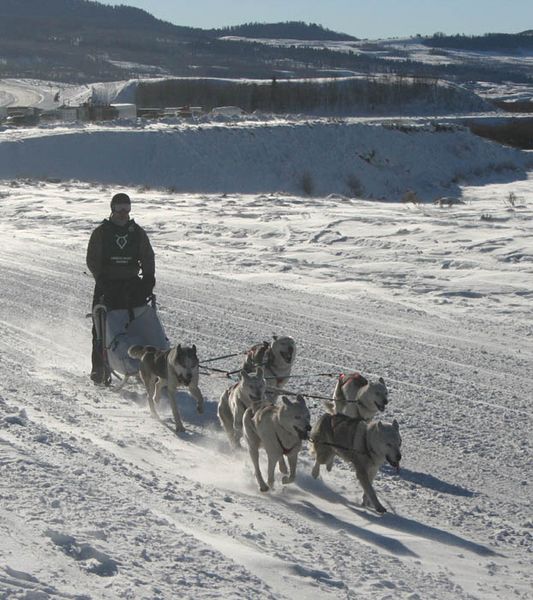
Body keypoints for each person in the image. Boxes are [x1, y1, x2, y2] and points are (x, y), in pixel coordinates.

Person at [86, 192, 155, 384]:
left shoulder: (137, 232)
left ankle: (146, 364)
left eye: (127, 208)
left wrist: (148, 278)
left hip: (131, 283)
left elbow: (148, 256)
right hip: (107, 284)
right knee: (100, 326)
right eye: (119, 208)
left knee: (138, 322)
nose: (123, 212)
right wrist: (101, 279)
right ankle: (99, 369)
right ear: (112, 209)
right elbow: (92, 259)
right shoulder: (101, 232)